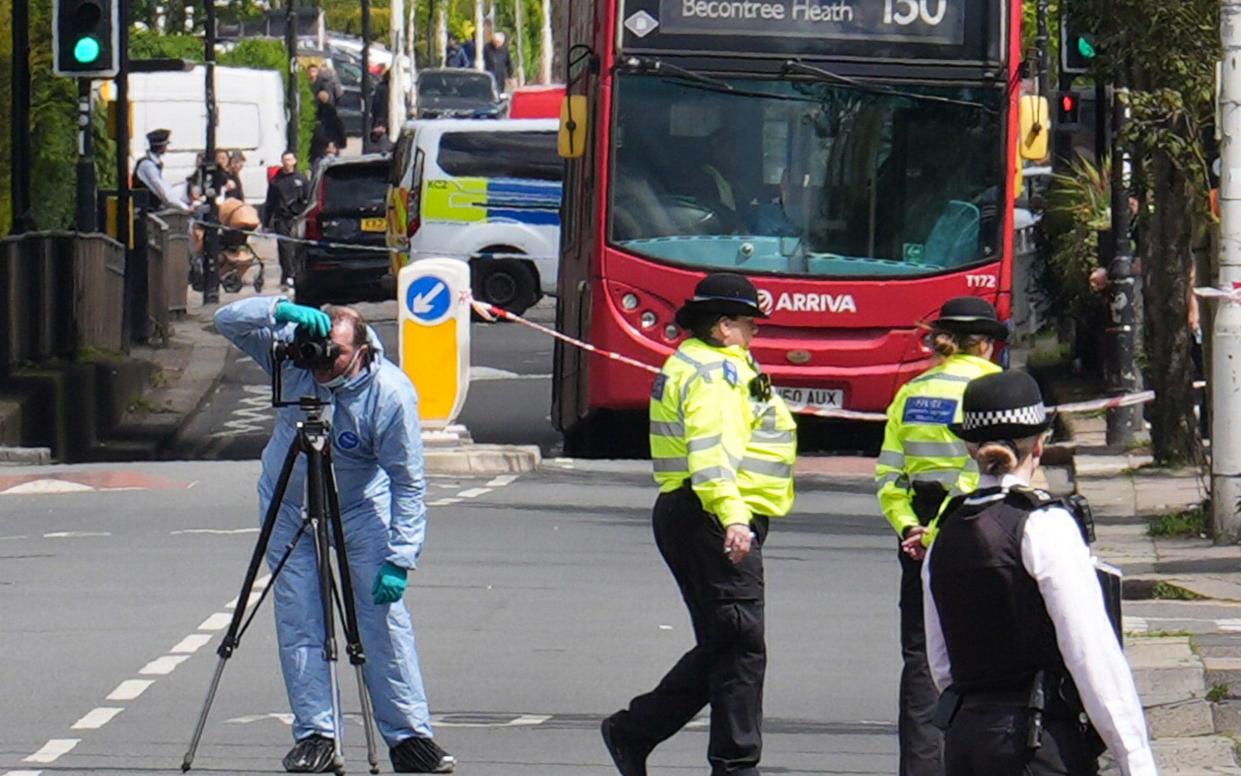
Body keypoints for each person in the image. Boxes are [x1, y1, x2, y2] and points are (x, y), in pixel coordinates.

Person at [213, 297, 456, 774]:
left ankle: (409, 737)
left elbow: (408, 481)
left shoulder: (389, 394)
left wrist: (401, 558)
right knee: (299, 618)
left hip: (359, 508)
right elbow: (225, 320)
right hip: (287, 502)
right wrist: (279, 309)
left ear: (363, 352)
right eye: (317, 348)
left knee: (381, 620)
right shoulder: (294, 358)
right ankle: (317, 735)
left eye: (335, 353)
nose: (322, 361)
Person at [602, 273, 798, 776]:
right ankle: (734, 766)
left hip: (700, 513)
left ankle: (635, 730)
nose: (756, 332)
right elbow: (711, 457)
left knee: (727, 641)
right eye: (750, 324)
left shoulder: (707, 362)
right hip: (715, 514)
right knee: (740, 648)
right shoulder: (716, 376)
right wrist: (735, 519)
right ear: (724, 326)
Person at [923, 370, 1156, 775]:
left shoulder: (945, 531)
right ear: (1040, 443)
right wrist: (1135, 760)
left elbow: (941, 664)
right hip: (1038, 744)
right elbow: (1090, 653)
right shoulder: (1044, 524)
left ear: (969, 445)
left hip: (966, 741)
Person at [875, 296, 1005, 776]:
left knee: (921, 655)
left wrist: (911, 527)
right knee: (989, 653)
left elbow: (889, 476)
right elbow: (989, 470)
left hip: (917, 530)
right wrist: (943, 527)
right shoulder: (995, 389)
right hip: (981, 527)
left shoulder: (911, 392)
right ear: (986, 345)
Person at [263, 151, 309, 290]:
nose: (287, 163)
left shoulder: (301, 179)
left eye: (289, 160)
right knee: (284, 248)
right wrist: (266, 223)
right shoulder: (276, 181)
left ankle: (297, 274)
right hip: (281, 218)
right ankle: (287, 275)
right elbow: (270, 202)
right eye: (285, 160)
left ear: (294, 161)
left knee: (297, 247)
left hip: (298, 218)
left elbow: (308, 198)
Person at [133, 129, 191, 213]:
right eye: (166, 145)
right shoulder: (147, 165)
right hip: (145, 212)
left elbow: (167, 189)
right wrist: (185, 208)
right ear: (161, 147)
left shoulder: (153, 163)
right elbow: (162, 191)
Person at [310, 91, 348, 166]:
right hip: (334, 145)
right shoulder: (335, 117)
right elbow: (341, 131)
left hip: (320, 148)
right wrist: (341, 144)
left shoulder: (317, 116)